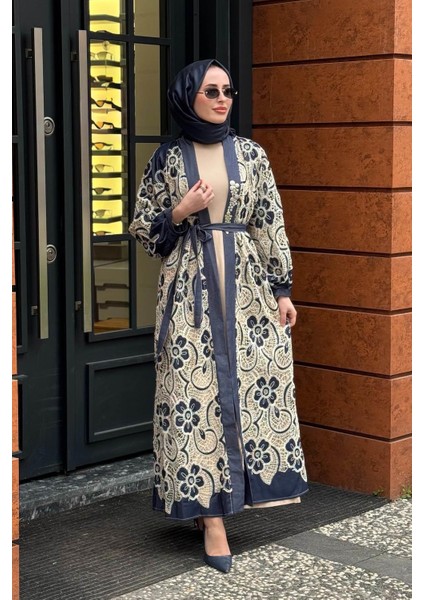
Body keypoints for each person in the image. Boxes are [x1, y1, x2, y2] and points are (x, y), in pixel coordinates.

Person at [129, 59, 308, 574]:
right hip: (189, 293)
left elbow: (269, 220)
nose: (223, 98)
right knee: (193, 396)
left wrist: (282, 289)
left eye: (228, 90)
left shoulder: (251, 155)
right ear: (188, 96)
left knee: (252, 388)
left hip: (248, 293)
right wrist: (180, 211)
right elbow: (143, 230)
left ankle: (241, 494)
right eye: (211, 91)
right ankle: (211, 520)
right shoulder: (167, 159)